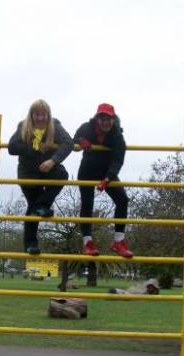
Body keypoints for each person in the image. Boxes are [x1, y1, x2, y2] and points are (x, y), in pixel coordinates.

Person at [8, 99, 73, 255]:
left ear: (48, 115)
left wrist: (52, 160)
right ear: (32, 115)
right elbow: (12, 147)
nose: (41, 118)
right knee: (32, 206)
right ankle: (31, 244)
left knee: (62, 175)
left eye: (44, 115)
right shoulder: (23, 126)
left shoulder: (55, 126)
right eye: (37, 114)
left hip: (47, 168)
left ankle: (41, 205)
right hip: (28, 172)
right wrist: (32, 148)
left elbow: (68, 143)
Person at [74, 103, 134, 258]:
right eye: (102, 118)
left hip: (106, 172)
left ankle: (118, 241)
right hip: (87, 170)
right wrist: (81, 141)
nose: (105, 122)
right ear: (97, 118)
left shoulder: (117, 136)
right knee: (87, 203)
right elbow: (74, 138)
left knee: (122, 199)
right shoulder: (86, 128)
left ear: (113, 120)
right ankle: (87, 242)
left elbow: (118, 161)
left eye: (109, 118)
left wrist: (107, 179)